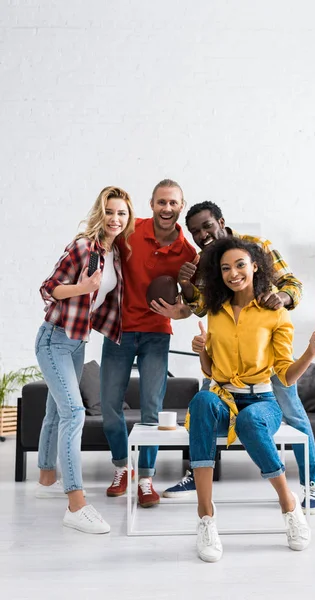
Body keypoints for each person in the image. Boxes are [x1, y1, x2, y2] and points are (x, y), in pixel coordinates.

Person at [162, 201, 315, 515]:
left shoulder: (257, 247)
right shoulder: (202, 262)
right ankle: (198, 479)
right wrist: (185, 285)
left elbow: (293, 284)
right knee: (204, 409)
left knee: (293, 413)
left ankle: (313, 484)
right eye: (195, 231)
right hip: (224, 349)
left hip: (263, 348)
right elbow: (200, 307)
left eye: (206, 225)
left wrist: (282, 296)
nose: (202, 234)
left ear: (220, 221)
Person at [186, 237, 315, 562]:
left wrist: (311, 351)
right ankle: (205, 514)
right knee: (200, 402)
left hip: (262, 401)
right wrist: (201, 351)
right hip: (222, 398)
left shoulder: (275, 314)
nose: (233, 273)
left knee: (251, 421)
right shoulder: (215, 311)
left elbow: (285, 377)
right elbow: (210, 369)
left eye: (239, 265)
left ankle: (288, 504)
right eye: (225, 268)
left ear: (255, 266)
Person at [35, 186, 135, 534]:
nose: (115, 218)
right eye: (110, 211)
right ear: (100, 213)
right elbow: (49, 288)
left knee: (55, 410)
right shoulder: (82, 247)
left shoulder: (115, 254)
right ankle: (75, 503)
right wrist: (83, 286)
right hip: (54, 339)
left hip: (77, 342)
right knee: (74, 413)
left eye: (122, 213)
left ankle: (47, 476)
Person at [100, 179, 197, 506]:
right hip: (120, 331)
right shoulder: (129, 230)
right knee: (109, 406)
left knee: (152, 411)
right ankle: (120, 467)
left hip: (157, 333)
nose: (167, 208)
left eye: (173, 203)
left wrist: (180, 310)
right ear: (152, 204)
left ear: (181, 206)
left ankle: (145, 479)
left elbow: (191, 305)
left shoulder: (188, 253)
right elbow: (99, 249)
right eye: (161, 202)